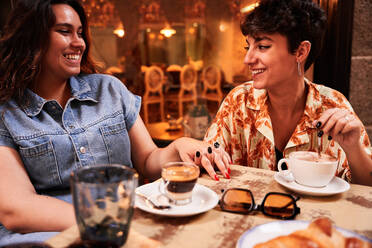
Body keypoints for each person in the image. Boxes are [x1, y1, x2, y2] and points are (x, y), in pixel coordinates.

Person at [0, 0, 230, 244]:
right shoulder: (7, 113)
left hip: (126, 229)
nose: (79, 42)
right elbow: (17, 209)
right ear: (33, 38)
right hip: (49, 237)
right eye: (65, 31)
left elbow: (148, 160)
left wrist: (179, 146)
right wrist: (111, 219)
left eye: (80, 33)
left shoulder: (110, 90)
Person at [204, 0, 372, 186]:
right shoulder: (239, 101)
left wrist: (354, 148)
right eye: (248, 46)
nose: (248, 59)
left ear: (300, 51)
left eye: (262, 46)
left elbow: (367, 189)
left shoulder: (333, 105)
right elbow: (208, 161)